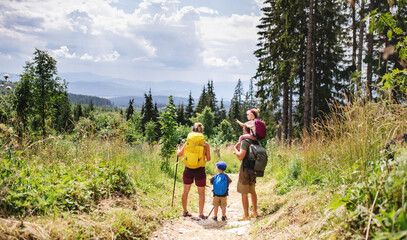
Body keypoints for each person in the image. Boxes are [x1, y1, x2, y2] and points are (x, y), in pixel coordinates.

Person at [177, 122, 211, 219]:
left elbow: (179, 154)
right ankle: (200, 214)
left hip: (188, 169)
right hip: (200, 170)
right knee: (201, 193)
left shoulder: (188, 143)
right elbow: (208, 159)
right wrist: (200, 159)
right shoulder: (206, 144)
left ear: (193, 131)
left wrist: (178, 148)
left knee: (186, 191)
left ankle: (185, 211)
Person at [233, 127, 258, 221]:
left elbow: (240, 156)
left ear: (245, 131)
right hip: (254, 168)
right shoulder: (255, 141)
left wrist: (235, 149)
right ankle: (255, 211)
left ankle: (246, 215)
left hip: (245, 169)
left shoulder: (245, 141)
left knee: (244, 192)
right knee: (252, 190)